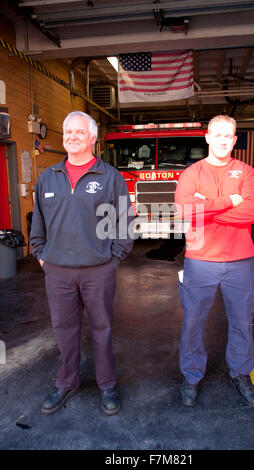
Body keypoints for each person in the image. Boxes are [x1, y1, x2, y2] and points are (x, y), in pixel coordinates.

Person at [30, 111, 134, 415]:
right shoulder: (48, 177)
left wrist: (113, 259)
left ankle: (107, 385)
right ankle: (66, 382)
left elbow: (125, 222)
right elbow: (38, 222)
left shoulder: (110, 177)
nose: (72, 137)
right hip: (57, 271)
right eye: (67, 132)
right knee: (63, 329)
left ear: (92, 138)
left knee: (102, 329)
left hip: (98, 270)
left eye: (79, 132)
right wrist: (41, 255)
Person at [175, 115, 254, 407]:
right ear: (208, 137)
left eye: (229, 135)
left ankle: (240, 373)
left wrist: (206, 208)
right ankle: (191, 377)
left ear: (235, 140)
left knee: (242, 321)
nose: (224, 140)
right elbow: (185, 211)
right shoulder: (192, 173)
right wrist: (230, 201)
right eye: (218, 134)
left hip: (240, 261)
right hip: (199, 260)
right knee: (193, 322)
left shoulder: (248, 173)